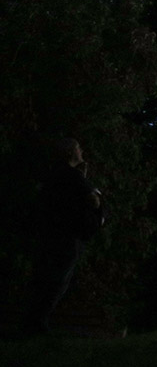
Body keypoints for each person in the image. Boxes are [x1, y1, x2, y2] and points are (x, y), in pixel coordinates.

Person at [25, 138, 105, 333]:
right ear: (71, 153)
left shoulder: (55, 175)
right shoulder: (70, 176)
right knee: (58, 280)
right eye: (78, 147)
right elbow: (93, 201)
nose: (82, 150)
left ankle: (34, 321)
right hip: (67, 236)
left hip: (51, 234)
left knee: (47, 277)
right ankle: (38, 323)